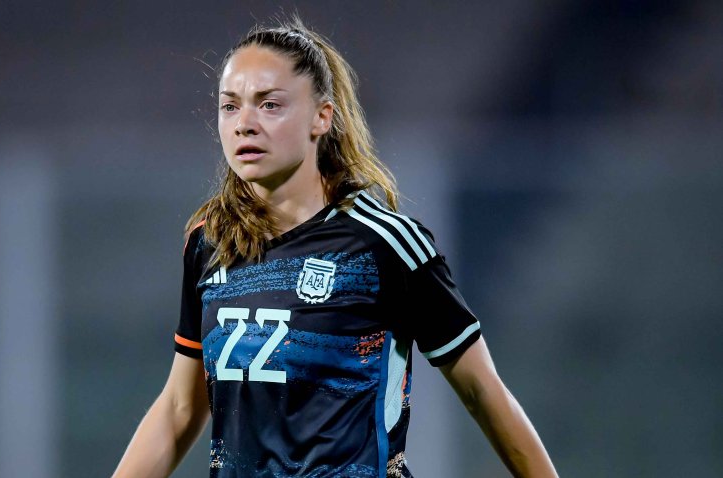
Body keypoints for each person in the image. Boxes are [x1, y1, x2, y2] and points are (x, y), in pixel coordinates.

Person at [112, 16, 558, 478]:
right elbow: (180, 410)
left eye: (269, 105)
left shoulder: (381, 245)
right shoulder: (211, 240)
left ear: (322, 117)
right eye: (230, 106)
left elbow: (482, 391)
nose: (245, 123)